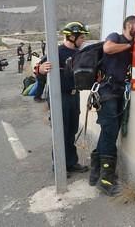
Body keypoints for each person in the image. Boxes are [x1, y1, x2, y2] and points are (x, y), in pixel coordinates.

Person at [90, 15, 135, 196]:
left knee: (108, 132)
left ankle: (95, 173)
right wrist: (129, 46)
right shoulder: (116, 37)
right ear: (129, 25)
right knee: (110, 133)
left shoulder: (133, 45)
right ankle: (106, 180)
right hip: (106, 93)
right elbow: (107, 48)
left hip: (117, 93)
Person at [37, 21, 90, 175]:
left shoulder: (80, 53)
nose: (83, 40)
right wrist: (41, 69)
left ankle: (71, 162)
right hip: (59, 97)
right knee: (60, 131)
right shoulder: (57, 52)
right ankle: (59, 165)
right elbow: (39, 70)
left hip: (74, 96)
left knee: (71, 130)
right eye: (81, 37)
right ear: (72, 37)